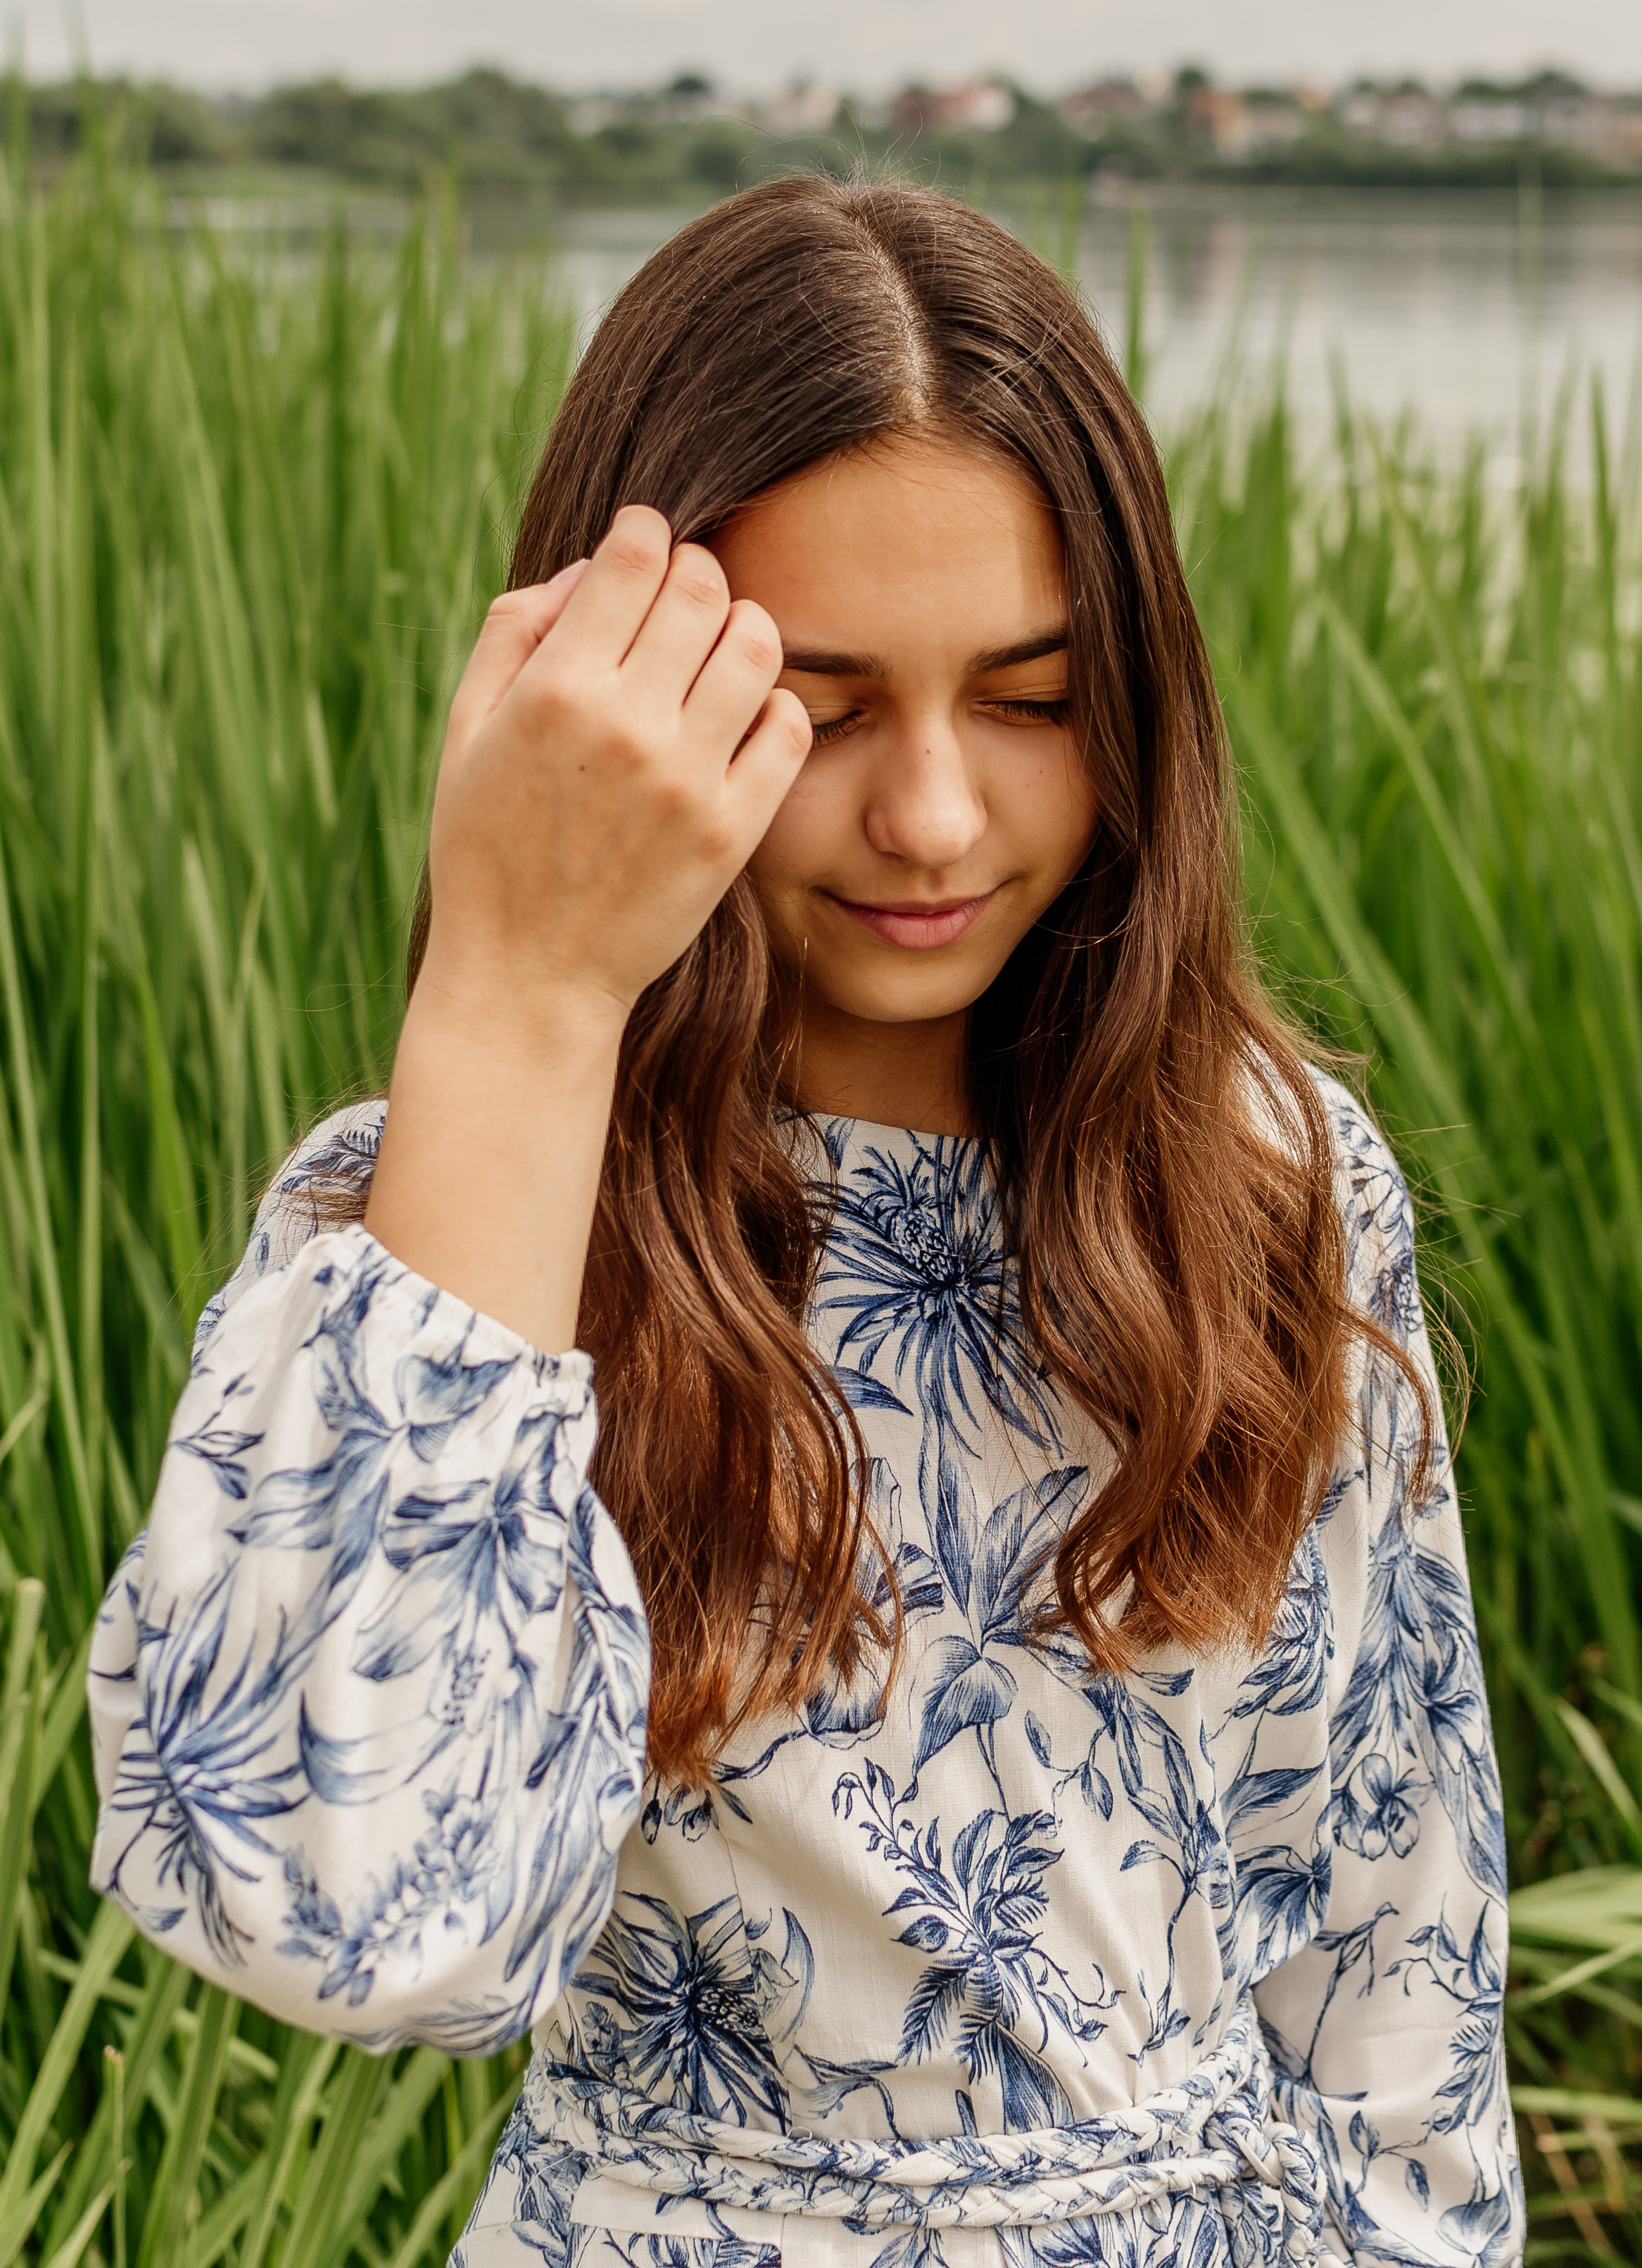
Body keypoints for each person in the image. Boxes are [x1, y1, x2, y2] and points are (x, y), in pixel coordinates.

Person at [87, 179, 1524, 2268]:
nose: (934, 816)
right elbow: (357, 1908)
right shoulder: (480, 1208)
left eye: (1028, 698)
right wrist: (520, 990)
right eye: (823, 711)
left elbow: (1404, 1958)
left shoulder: (1264, 1175)